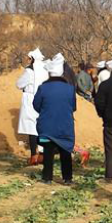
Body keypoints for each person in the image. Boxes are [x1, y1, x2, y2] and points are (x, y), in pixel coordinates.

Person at [33, 56, 77, 185]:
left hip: (47, 126)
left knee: (48, 151)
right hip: (65, 126)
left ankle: (47, 178)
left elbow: (36, 105)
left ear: (49, 74)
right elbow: (73, 107)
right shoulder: (69, 88)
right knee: (65, 151)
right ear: (62, 73)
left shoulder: (43, 88)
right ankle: (67, 178)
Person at [16, 48, 48, 165]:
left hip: (30, 100)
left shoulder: (30, 71)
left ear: (32, 59)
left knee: (32, 128)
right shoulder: (45, 70)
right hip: (43, 99)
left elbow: (19, 84)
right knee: (42, 129)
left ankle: (33, 156)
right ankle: (43, 155)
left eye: (29, 58)